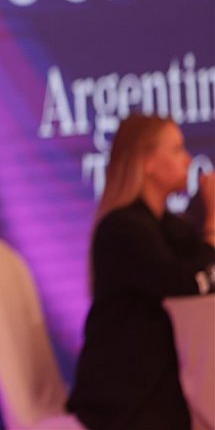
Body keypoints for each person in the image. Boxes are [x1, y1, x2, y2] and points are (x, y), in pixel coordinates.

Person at [67, 114, 215, 430]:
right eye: (176, 149)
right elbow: (187, 282)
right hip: (125, 397)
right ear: (147, 162)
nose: (188, 159)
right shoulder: (122, 229)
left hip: (159, 384)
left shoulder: (166, 225)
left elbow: (198, 259)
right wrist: (214, 223)